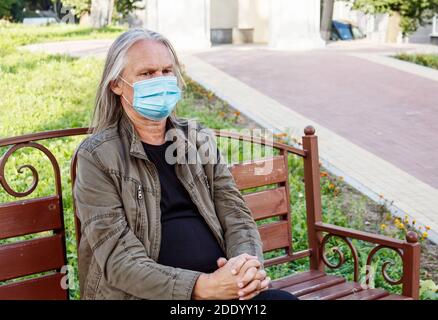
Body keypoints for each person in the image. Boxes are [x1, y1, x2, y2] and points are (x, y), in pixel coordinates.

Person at [74, 28, 297, 301]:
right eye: (146, 73)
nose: (161, 80)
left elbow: (235, 212)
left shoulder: (196, 139)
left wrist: (244, 268)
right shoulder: (97, 156)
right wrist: (200, 288)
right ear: (116, 84)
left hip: (222, 288)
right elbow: (119, 259)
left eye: (167, 71)